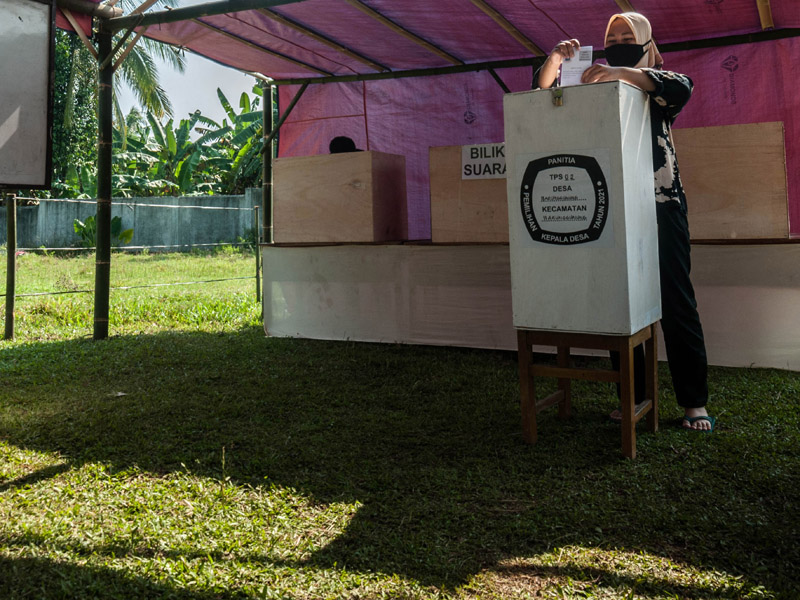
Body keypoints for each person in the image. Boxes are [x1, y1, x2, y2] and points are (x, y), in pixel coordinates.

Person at [533, 12, 715, 432]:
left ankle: (694, 403)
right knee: (623, 305)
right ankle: (633, 397)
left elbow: (680, 87)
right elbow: (544, 96)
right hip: (610, 207)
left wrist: (619, 71)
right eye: (611, 35)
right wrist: (557, 62)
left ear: (646, 42)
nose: (617, 40)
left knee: (676, 303)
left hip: (660, 205)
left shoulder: (658, 82)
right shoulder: (591, 84)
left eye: (626, 35)